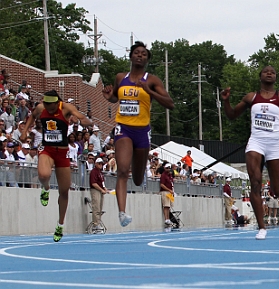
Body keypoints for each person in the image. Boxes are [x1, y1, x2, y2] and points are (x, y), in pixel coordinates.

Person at [101, 41, 174, 227]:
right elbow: (117, 97)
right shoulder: (120, 77)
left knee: (138, 177)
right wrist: (110, 97)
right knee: (123, 170)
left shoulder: (152, 80)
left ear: (147, 59)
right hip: (123, 128)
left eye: (143, 53)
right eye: (136, 52)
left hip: (142, 131)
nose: (140, 55)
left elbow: (169, 103)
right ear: (131, 56)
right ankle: (122, 213)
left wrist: (149, 91)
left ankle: (137, 164)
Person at [220, 65, 279, 240]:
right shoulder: (251, 97)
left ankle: (269, 187)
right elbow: (232, 115)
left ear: (276, 78)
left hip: (275, 144)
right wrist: (226, 101)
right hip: (256, 142)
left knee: (278, 191)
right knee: (255, 183)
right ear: (260, 76)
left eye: (272, 72)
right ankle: (262, 227)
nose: (269, 73)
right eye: (265, 71)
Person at [20, 90, 93, 241]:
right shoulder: (41, 108)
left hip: (62, 152)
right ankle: (45, 188)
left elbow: (80, 116)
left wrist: (84, 121)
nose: (48, 107)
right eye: (46, 104)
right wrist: (25, 131)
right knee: (43, 175)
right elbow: (32, 116)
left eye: (50, 105)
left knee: (64, 191)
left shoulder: (66, 108)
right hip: (47, 149)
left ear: (56, 102)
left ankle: (60, 224)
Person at [89, 158, 107, 233]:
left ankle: (98, 223)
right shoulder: (94, 172)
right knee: (96, 208)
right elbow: (94, 183)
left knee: (99, 208)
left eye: (101, 164)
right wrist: (101, 189)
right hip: (95, 190)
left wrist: (104, 189)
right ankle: (95, 225)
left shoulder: (100, 172)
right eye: (99, 163)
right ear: (96, 164)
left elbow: (102, 183)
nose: (100, 165)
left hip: (100, 190)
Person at [159, 162, 175, 232]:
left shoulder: (170, 176)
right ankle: (166, 219)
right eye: (167, 168)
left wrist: (172, 191)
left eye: (169, 168)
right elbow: (162, 185)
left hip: (170, 192)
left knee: (168, 206)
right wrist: (168, 190)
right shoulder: (163, 175)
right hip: (165, 192)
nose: (168, 169)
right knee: (166, 206)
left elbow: (171, 184)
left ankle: (168, 219)